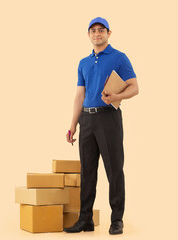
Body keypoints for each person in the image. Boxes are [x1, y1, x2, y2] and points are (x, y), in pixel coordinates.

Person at [63, 17, 139, 235]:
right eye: (93, 31)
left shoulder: (119, 57)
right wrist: (73, 125)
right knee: (87, 172)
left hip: (108, 117)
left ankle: (117, 220)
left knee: (114, 169)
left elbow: (135, 87)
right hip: (86, 119)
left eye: (101, 30)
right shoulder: (83, 63)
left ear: (109, 33)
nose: (97, 34)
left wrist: (117, 95)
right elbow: (79, 95)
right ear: (89, 35)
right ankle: (85, 219)